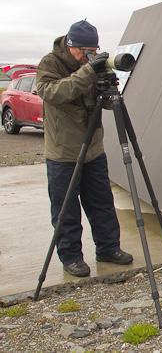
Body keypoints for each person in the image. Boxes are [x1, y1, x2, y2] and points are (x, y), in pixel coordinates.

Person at [35, 20, 133, 277]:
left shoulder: (90, 65)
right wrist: (89, 69)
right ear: (70, 45)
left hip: (93, 148)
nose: (87, 55)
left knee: (102, 202)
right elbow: (54, 93)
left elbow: (105, 103)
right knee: (66, 208)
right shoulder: (50, 64)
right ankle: (71, 257)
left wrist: (110, 91)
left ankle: (109, 248)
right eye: (84, 50)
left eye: (94, 49)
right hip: (63, 151)